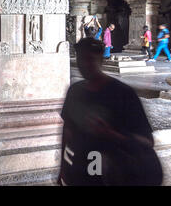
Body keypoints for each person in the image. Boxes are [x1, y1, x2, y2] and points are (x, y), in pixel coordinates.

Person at [58, 38, 162, 186]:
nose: (84, 65)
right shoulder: (75, 91)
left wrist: (110, 134)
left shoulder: (123, 94)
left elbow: (147, 142)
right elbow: (67, 131)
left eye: (90, 59)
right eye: (81, 59)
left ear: (101, 59)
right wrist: (62, 168)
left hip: (115, 174)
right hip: (80, 171)